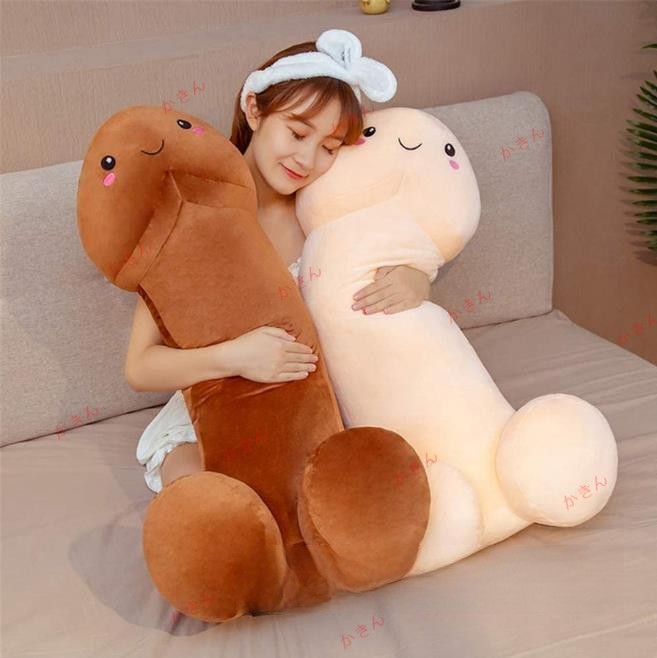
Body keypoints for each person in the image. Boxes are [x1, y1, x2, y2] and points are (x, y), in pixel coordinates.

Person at [125, 29, 437, 494]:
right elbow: (140, 366)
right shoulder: (194, 218)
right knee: (212, 498)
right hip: (214, 409)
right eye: (297, 132)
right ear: (254, 109)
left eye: (329, 148)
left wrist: (416, 278)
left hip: (314, 410)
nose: (307, 159)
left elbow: (396, 253)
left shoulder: (327, 214)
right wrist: (237, 356)